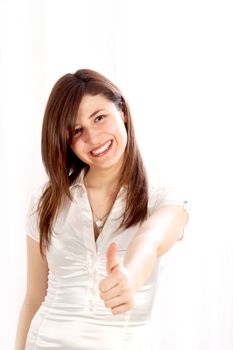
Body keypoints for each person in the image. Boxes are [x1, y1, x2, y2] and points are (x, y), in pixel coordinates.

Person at [15, 68, 189, 350]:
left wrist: (130, 276)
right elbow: (34, 298)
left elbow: (151, 240)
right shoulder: (47, 200)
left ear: (122, 112)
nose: (94, 137)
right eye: (76, 130)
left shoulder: (162, 198)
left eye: (99, 117)